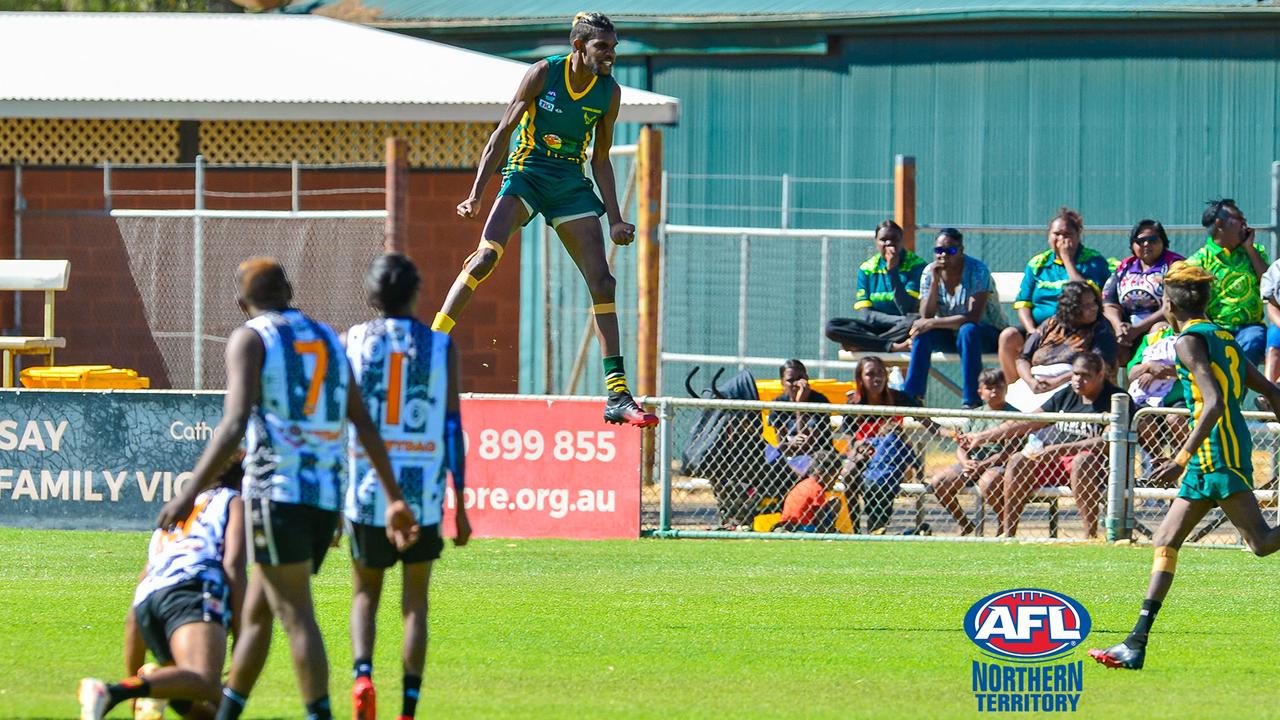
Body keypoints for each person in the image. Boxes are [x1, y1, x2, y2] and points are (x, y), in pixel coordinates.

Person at [155, 257, 419, 720]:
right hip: (323, 498)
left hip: (276, 493)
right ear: (290, 290)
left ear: (242, 303)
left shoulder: (250, 338)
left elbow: (234, 423)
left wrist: (187, 493)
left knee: (296, 614)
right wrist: (394, 495)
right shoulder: (328, 339)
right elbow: (362, 423)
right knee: (257, 613)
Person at [433, 12, 655, 428]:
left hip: (569, 180)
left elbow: (601, 158)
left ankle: (617, 393)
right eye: (602, 47)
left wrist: (616, 221)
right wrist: (476, 194)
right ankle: (431, 346)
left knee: (603, 280)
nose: (611, 54)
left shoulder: (609, 92)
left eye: (613, 47)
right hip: (527, 173)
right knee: (484, 259)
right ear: (579, 46)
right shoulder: (543, 74)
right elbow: (502, 132)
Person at [1090, 262, 1280, 670]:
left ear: (1168, 302)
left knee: (1262, 543)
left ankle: (1136, 642)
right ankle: (1135, 643)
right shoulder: (1225, 338)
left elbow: (1211, 401)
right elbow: (1270, 390)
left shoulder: (1187, 342)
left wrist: (1180, 458)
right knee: (1165, 540)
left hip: (1214, 454)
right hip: (1220, 450)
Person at [345, 255, 473, 720]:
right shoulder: (440, 347)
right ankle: (408, 708)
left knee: (365, 594)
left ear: (373, 296)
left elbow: (343, 421)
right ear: (417, 293)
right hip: (422, 491)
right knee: (415, 601)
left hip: (368, 490)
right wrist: (460, 504)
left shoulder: (354, 341)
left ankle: (363, 676)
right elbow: (452, 427)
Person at [79, 458, 246, 720]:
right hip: (193, 588)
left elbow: (141, 592)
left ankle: (152, 689)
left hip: (148, 604)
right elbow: (234, 565)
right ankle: (111, 690)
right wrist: (242, 635)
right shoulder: (233, 501)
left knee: (208, 708)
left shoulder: (179, 512)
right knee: (205, 681)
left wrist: (136, 685)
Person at [959, 352, 1131, 538]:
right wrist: (983, 436)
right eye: (1075, 374)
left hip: (1095, 466)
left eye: (1085, 375)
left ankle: (1090, 536)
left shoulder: (1116, 398)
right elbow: (1030, 420)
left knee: (1082, 460)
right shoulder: (1067, 394)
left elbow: (1105, 441)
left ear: (1100, 375)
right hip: (1054, 460)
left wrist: (1056, 450)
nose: (1078, 380)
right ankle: (1008, 535)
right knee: (1018, 460)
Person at [998, 207, 1113, 383]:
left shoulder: (1093, 261)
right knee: (1008, 336)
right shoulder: (1038, 263)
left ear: (1078, 235)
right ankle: (1014, 391)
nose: (1061, 239)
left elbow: (1090, 294)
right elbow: (1023, 303)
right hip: (1041, 330)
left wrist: (1067, 259)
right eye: (1056, 234)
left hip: (1081, 329)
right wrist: (1032, 330)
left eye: (1067, 234)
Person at [901, 228, 1006, 408]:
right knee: (922, 334)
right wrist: (934, 282)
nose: (943, 255)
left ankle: (972, 401)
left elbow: (973, 317)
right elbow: (926, 315)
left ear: (961, 250)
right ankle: (912, 397)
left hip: (986, 334)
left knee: (967, 330)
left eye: (950, 251)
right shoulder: (929, 272)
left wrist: (932, 322)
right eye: (938, 251)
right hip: (952, 335)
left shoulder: (977, 270)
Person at [926, 369, 1020, 535]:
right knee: (939, 482)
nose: (994, 391)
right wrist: (965, 463)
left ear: (1006, 388)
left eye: (998, 387)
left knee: (988, 482)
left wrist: (982, 465)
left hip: (997, 465)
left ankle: (1004, 526)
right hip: (971, 465)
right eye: (989, 388)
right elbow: (962, 446)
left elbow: (1009, 452)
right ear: (980, 392)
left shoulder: (1014, 415)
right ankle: (964, 523)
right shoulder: (975, 414)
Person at [837, 356, 923, 533]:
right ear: (860, 378)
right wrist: (859, 446)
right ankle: (856, 530)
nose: (877, 378)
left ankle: (877, 527)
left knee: (879, 478)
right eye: (870, 374)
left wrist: (950, 432)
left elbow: (926, 421)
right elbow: (849, 437)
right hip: (863, 456)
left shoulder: (897, 398)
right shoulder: (855, 402)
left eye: (881, 373)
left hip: (889, 458)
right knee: (850, 474)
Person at [1182, 198, 1269, 365]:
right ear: (1220, 223)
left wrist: (1250, 249)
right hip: (1214, 327)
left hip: (1250, 327)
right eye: (1239, 219)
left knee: (1252, 340)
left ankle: (1234, 390)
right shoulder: (1199, 261)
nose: (1245, 224)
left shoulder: (1255, 252)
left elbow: (1268, 283)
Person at [824, 220, 925, 352]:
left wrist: (892, 271)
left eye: (894, 239)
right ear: (876, 242)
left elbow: (907, 308)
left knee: (915, 320)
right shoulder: (867, 268)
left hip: (903, 330)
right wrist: (899, 320)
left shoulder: (917, 265)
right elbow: (866, 314)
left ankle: (867, 344)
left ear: (902, 241)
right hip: (879, 326)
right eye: (883, 240)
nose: (889, 243)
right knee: (832, 326)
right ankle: (890, 346)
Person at [1012, 281, 1117, 403]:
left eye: (1094, 302)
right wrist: (1030, 381)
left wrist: (1055, 382)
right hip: (1035, 384)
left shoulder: (1101, 328)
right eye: (1086, 305)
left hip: (1070, 388)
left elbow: (1100, 366)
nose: (1094, 308)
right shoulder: (1051, 324)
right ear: (1071, 308)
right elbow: (1023, 358)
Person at [1102, 220, 1184, 362]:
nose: (1146, 244)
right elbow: (1109, 303)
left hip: (1163, 322)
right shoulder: (1125, 267)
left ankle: (1154, 381)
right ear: (1133, 245)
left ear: (1163, 241)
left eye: (1152, 240)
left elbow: (1173, 306)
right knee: (1107, 336)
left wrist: (1138, 329)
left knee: (1159, 331)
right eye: (1140, 241)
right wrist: (1118, 326)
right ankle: (1113, 383)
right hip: (1129, 327)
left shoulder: (1175, 265)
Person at [765, 359, 833, 480]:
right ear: (782, 382)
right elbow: (782, 444)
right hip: (790, 455)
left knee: (810, 466)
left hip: (817, 455)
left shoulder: (819, 401)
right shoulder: (779, 404)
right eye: (790, 380)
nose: (796, 383)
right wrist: (791, 443)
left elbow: (807, 445)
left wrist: (799, 404)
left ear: (806, 378)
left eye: (800, 378)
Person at [775, 451, 845, 533]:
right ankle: (830, 532)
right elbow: (819, 517)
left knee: (833, 501)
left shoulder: (806, 483)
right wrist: (825, 534)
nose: (835, 481)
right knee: (836, 502)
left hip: (788, 524)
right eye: (834, 477)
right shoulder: (816, 489)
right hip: (802, 527)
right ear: (821, 474)